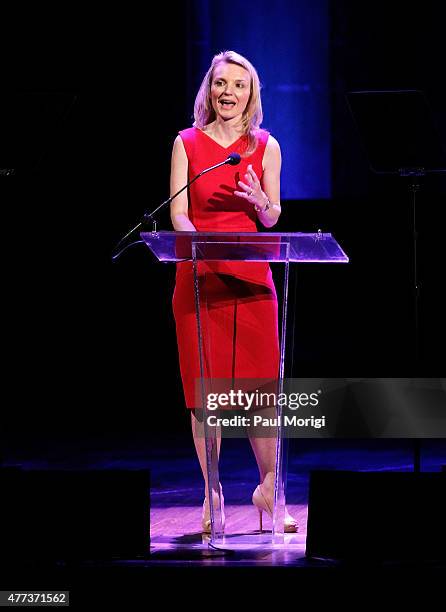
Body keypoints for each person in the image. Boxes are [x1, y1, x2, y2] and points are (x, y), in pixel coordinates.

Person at [170, 50, 297, 534]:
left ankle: (271, 487)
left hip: (250, 278)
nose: (229, 93)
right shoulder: (185, 143)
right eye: (220, 83)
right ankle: (213, 490)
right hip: (199, 276)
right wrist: (195, 242)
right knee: (207, 393)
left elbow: (271, 216)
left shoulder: (266, 145)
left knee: (261, 391)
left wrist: (265, 204)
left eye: (239, 85)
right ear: (210, 90)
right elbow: (179, 213)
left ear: (251, 93)